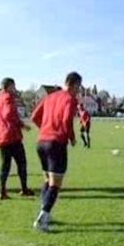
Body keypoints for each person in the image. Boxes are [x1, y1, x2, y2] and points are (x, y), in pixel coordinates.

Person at [31, 72, 82, 232]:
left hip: (41, 143)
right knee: (55, 183)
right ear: (74, 85)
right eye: (78, 87)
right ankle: (42, 218)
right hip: (56, 144)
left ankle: (44, 212)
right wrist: (71, 137)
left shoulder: (50, 96)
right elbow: (67, 120)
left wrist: (46, 130)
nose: (78, 91)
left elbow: (34, 116)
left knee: (47, 179)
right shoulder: (70, 99)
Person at [0, 77, 34, 200]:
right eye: (13, 86)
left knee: (5, 165)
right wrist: (22, 125)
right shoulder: (8, 98)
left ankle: (2, 191)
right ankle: (24, 189)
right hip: (12, 136)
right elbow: (9, 114)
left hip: (1, 136)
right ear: (8, 87)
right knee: (22, 163)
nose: (15, 89)